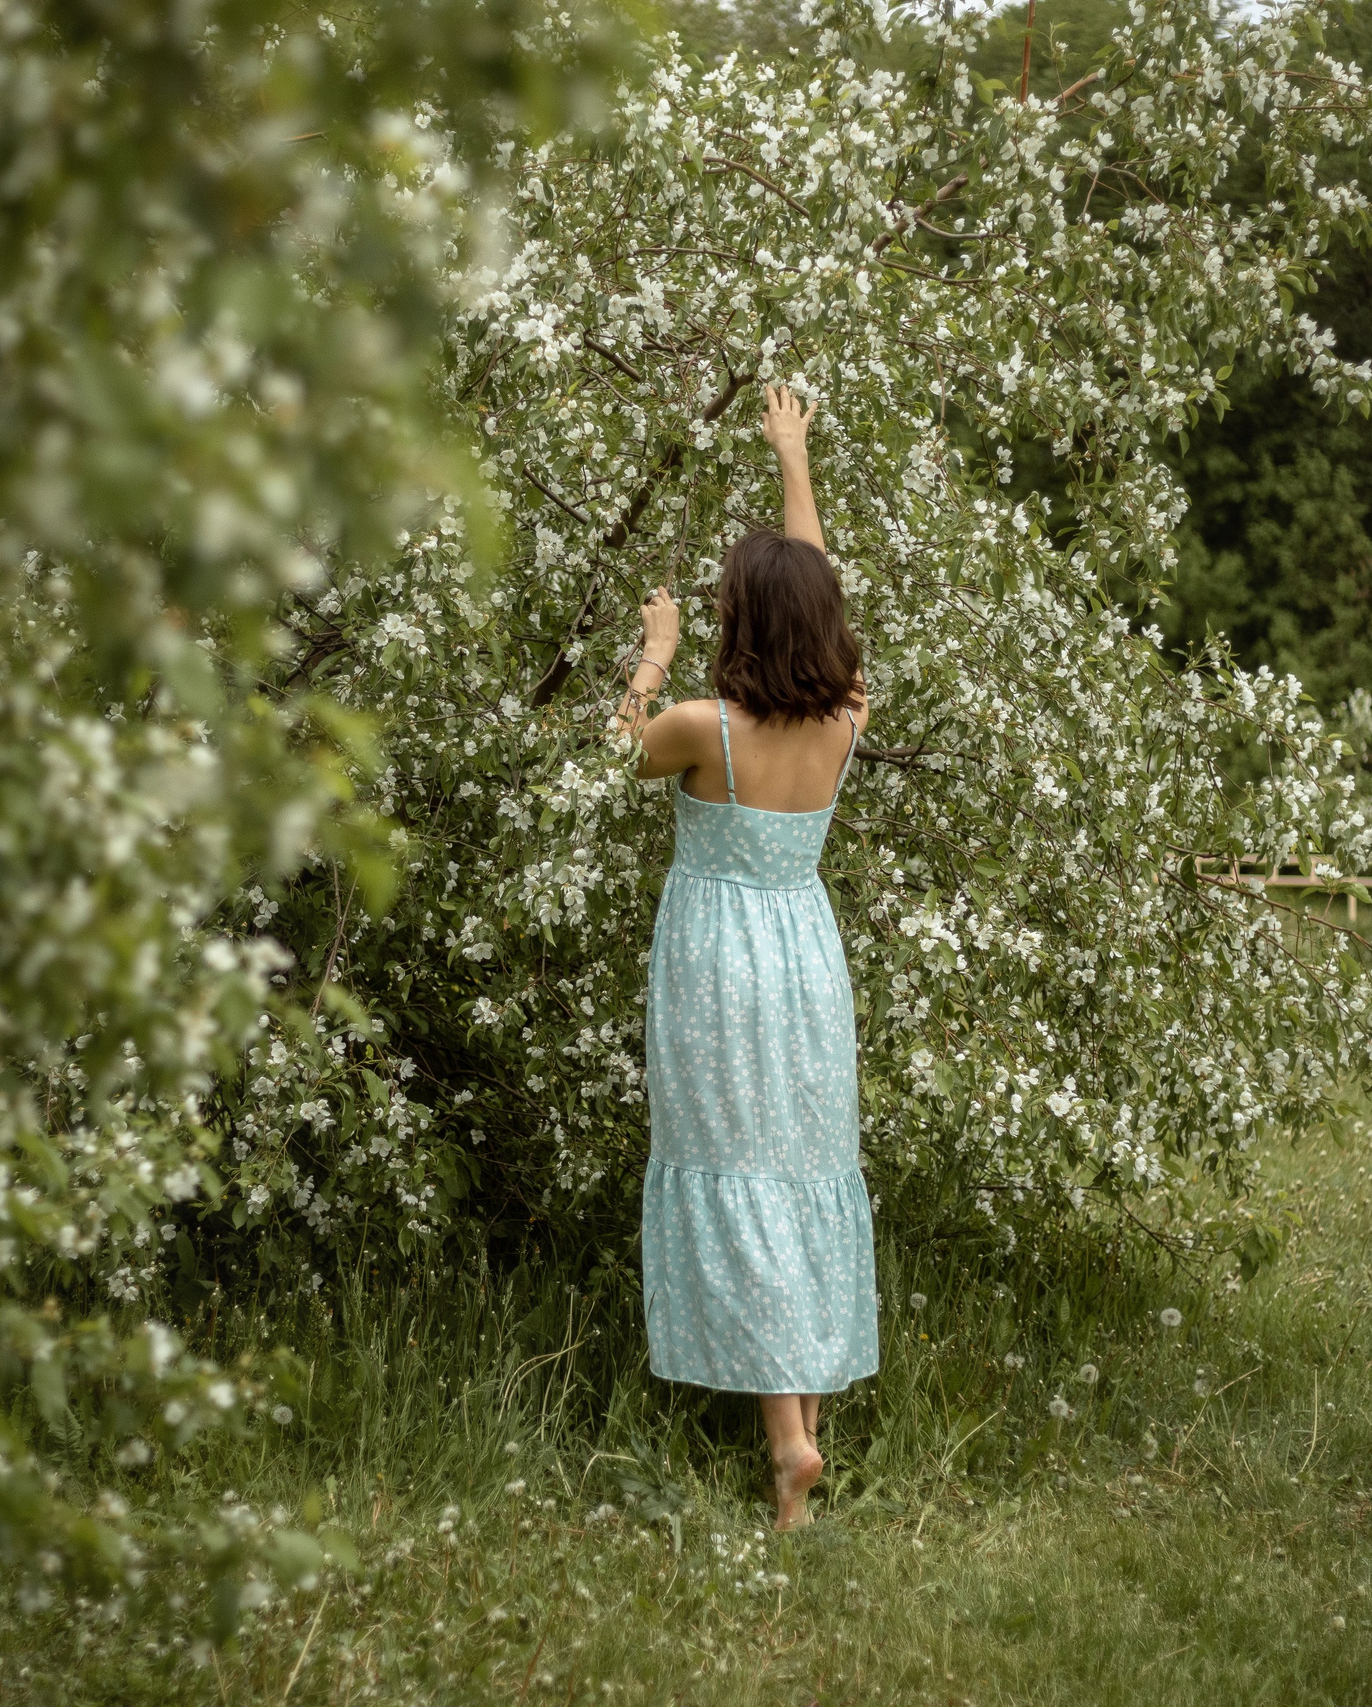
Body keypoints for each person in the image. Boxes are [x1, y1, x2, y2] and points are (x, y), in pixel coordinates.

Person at [613, 382, 879, 1531]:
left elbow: (620, 749)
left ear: (738, 624)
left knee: (740, 1175)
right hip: (806, 955)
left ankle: (786, 1443)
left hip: (716, 963)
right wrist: (792, 460)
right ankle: (796, 1456)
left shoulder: (700, 728)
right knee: (801, 1173)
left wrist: (653, 653)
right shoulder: (846, 716)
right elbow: (813, 587)